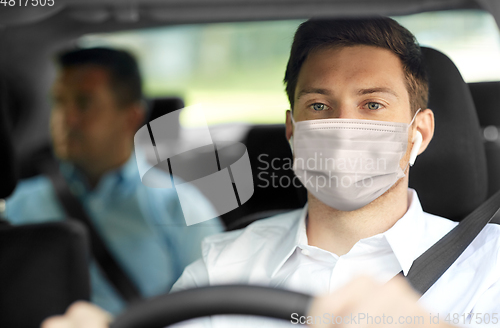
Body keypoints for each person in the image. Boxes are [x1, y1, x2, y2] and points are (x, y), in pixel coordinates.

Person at [42, 18, 500, 328]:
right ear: (293, 131)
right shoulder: (220, 267)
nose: (341, 126)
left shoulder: (490, 266)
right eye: (319, 106)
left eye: (372, 105)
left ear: (417, 134)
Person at [5, 47, 223, 315]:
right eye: (59, 102)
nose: (66, 118)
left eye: (84, 103)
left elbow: (216, 311)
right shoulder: (14, 204)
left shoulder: (180, 207)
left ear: (131, 117)